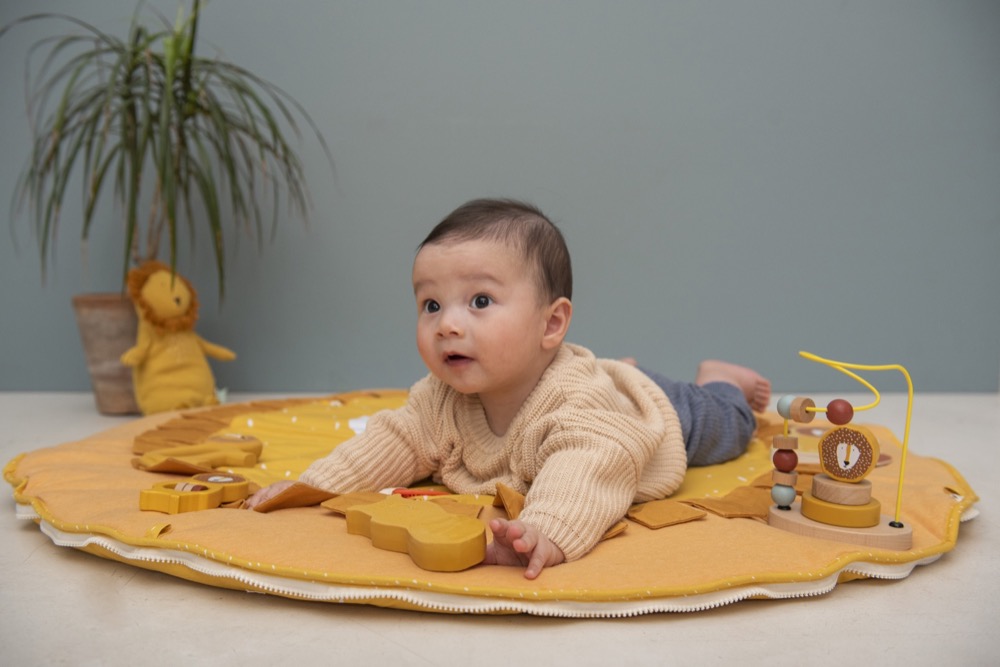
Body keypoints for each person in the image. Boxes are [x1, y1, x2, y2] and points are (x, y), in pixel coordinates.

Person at [247, 198, 770, 579]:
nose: (447, 324)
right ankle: (625, 367)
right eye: (431, 304)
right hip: (600, 386)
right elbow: (396, 440)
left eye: (479, 302)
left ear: (551, 324)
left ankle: (719, 378)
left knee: (725, 427)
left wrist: (547, 529)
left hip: (651, 414)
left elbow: (585, 463)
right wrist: (315, 486)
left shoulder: (575, 403)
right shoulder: (439, 397)